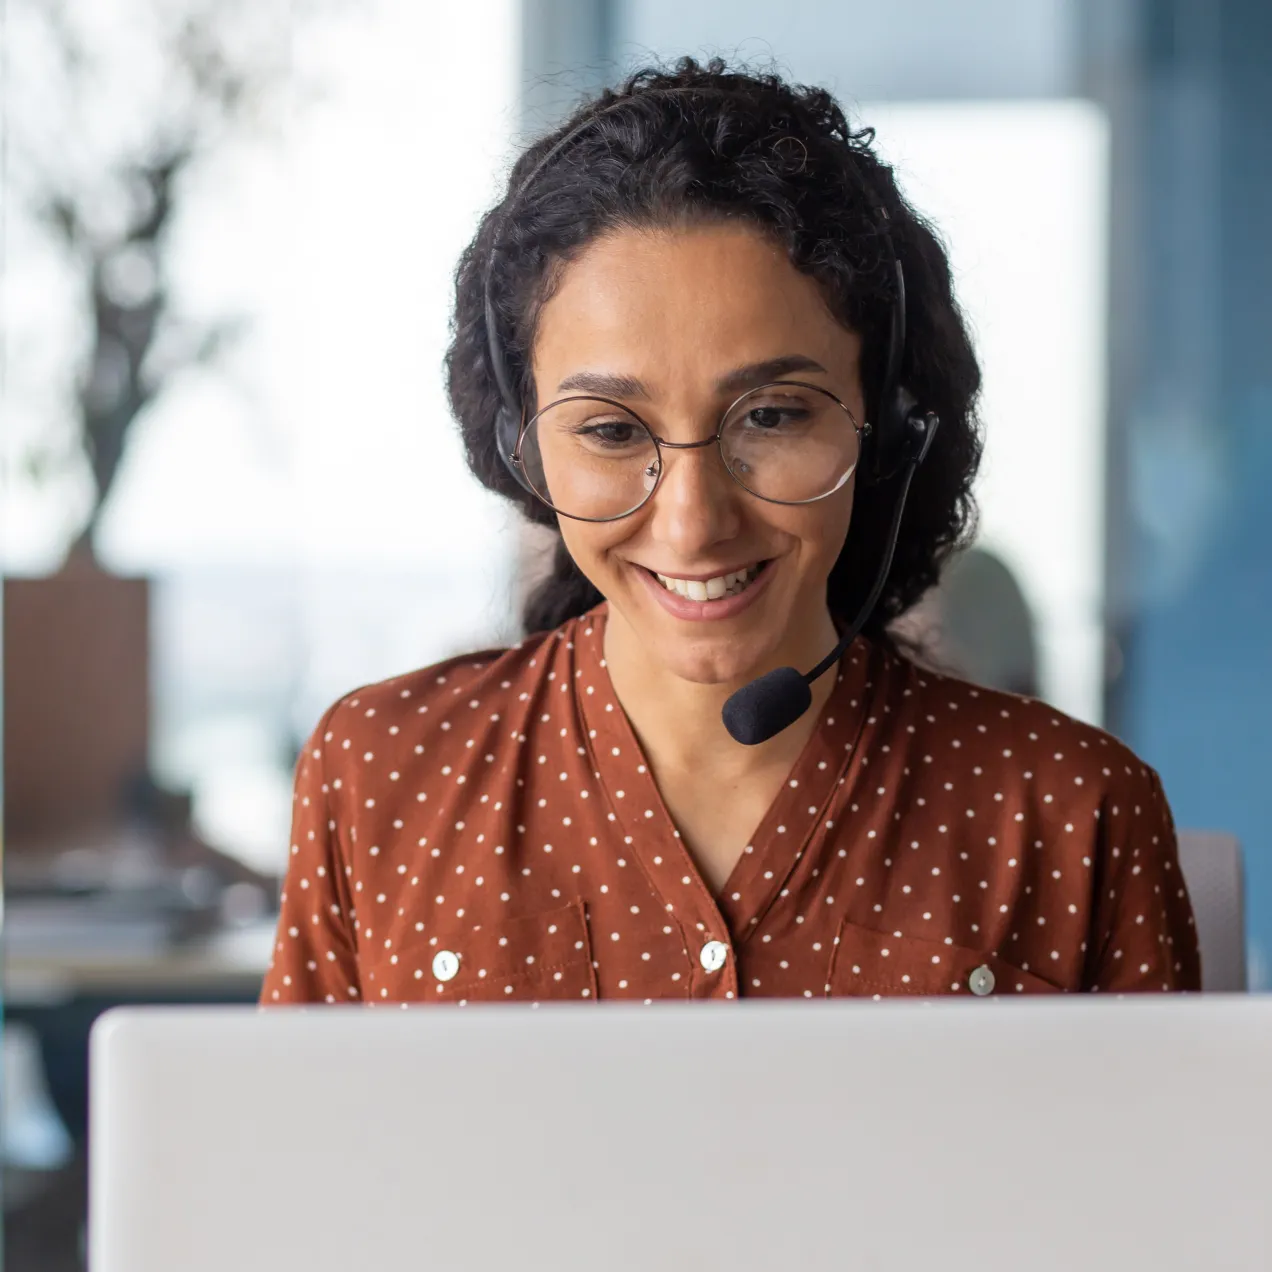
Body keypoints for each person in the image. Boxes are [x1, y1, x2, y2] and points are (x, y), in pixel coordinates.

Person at [261, 59, 1198, 1006]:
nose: (694, 521)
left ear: (893, 429)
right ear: (524, 448)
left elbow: (1162, 1158)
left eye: (774, 416)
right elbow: (285, 1153)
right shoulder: (380, 775)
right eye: (612, 431)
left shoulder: (1072, 813)